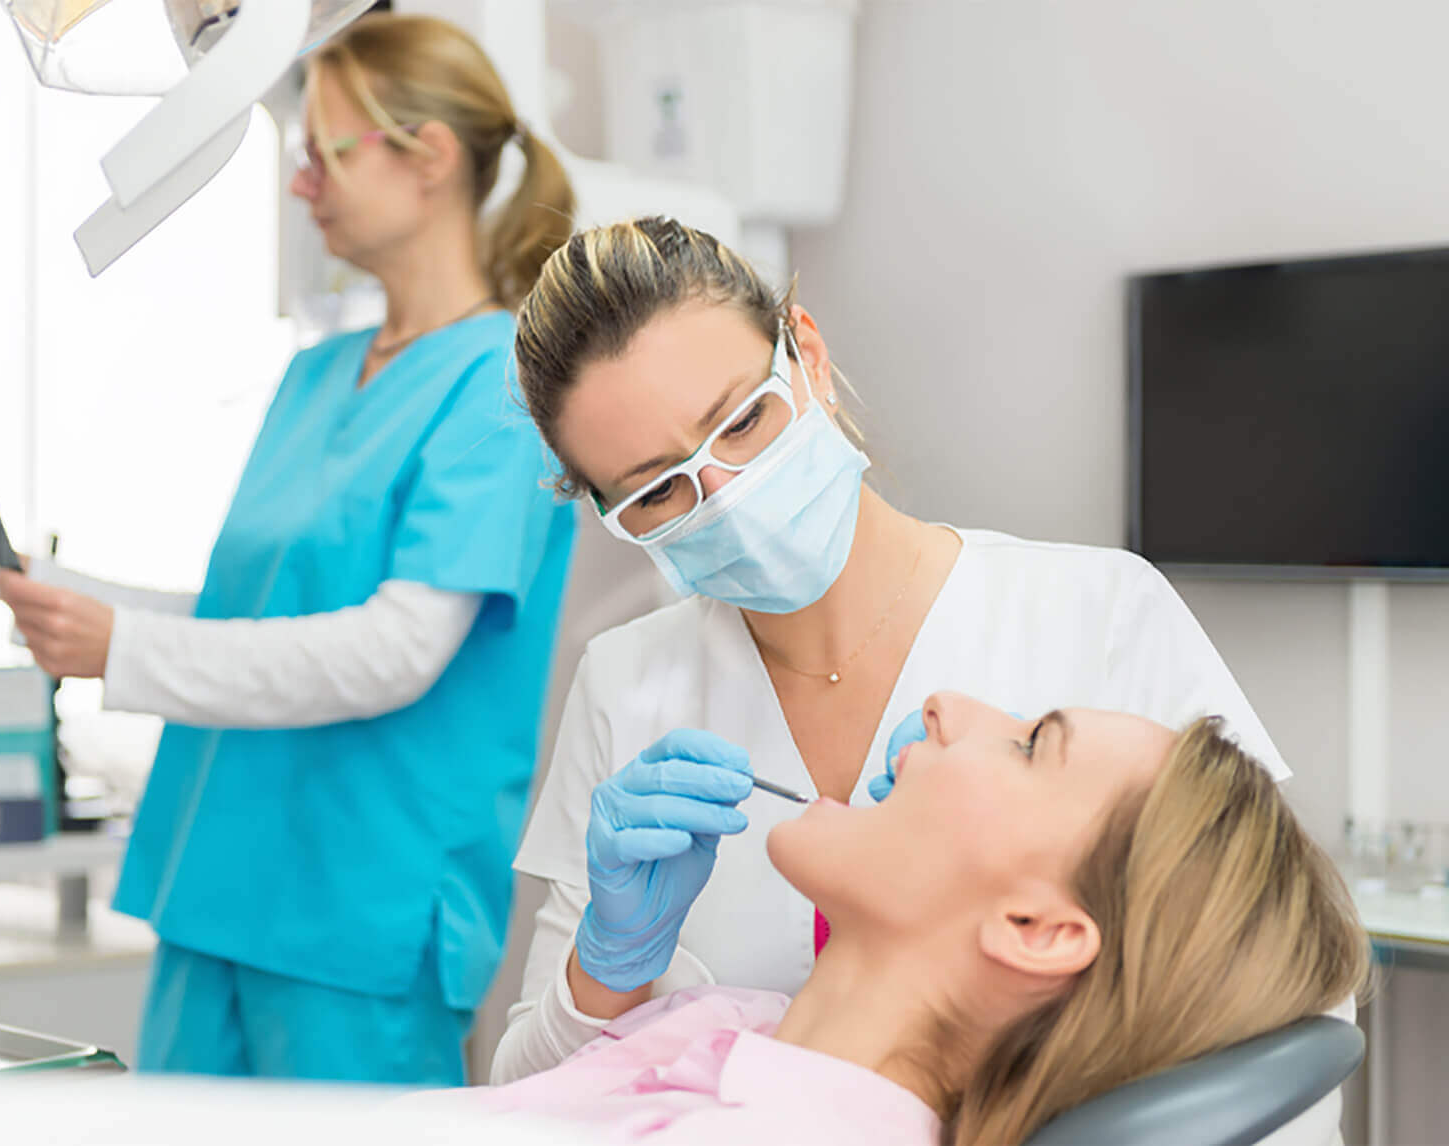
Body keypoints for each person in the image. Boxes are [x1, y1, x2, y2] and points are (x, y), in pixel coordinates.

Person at [0, 14, 576, 1085]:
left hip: (359, 913)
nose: (301, 183)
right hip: (218, 886)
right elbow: (229, 615)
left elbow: (395, 651)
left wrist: (120, 651)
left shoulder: (500, 391)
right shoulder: (318, 374)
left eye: (324, 152)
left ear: (429, 158)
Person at [493, 215, 1301, 1083]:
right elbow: (525, 1094)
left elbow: (1278, 1002)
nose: (727, 499)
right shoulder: (627, 683)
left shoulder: (1100, 612)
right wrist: (607, 969)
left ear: (807, 355)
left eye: (742, 421)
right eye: (658, 491)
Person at [411, 693, 1369, 1144]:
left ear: (1037, 927)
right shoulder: (734, 1029)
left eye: (1033, 744)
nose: (945, 707)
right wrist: (612, 968)